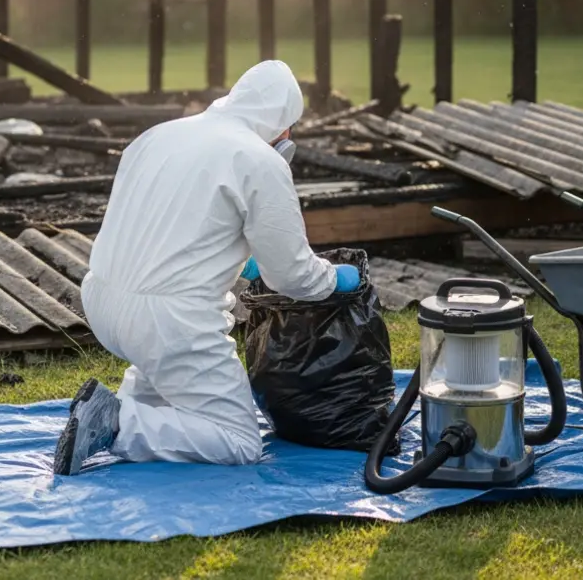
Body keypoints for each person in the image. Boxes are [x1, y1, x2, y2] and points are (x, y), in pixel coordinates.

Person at [53, 59, 360, 476]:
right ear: (284, 128)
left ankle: (125, 406)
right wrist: (333, 281)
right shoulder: (259, 159)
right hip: (170, 321)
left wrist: (237, 264)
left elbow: (171, 231)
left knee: (165, 367)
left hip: (102, 301)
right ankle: (117, 424)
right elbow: (291, 276)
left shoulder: (160, 134)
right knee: (238, 440)